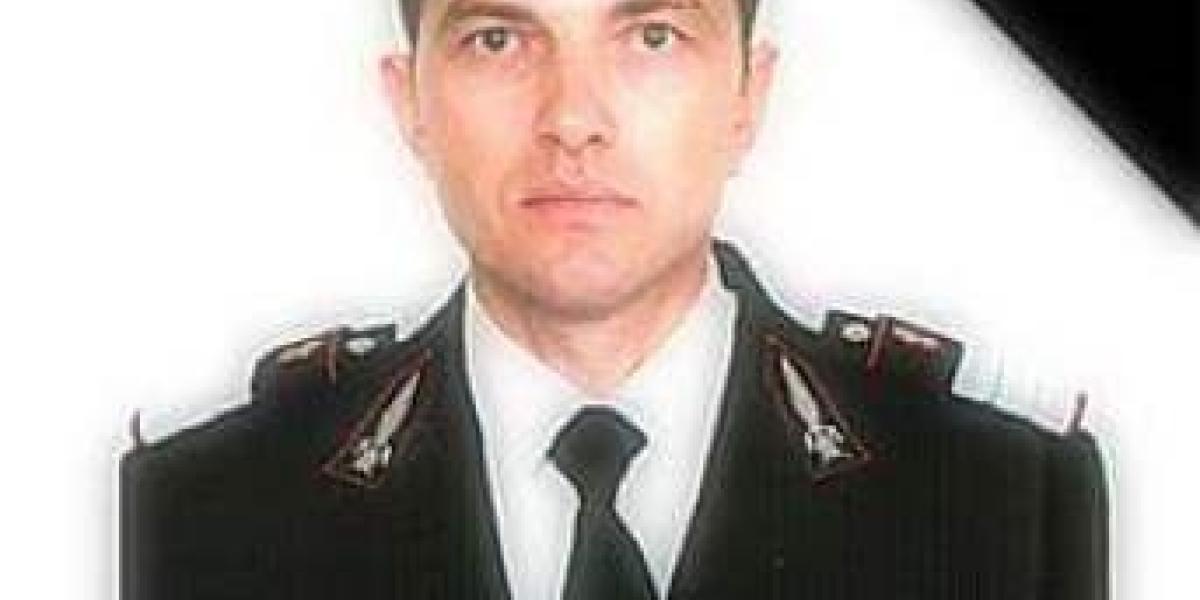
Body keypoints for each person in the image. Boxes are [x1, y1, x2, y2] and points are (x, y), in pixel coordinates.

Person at [120, 0, 1108, 598]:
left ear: (748, 95)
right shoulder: (203, 511)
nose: (574, 119)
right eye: (498, 39)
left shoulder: (999, 500)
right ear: (408, 99)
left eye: (653, 36)